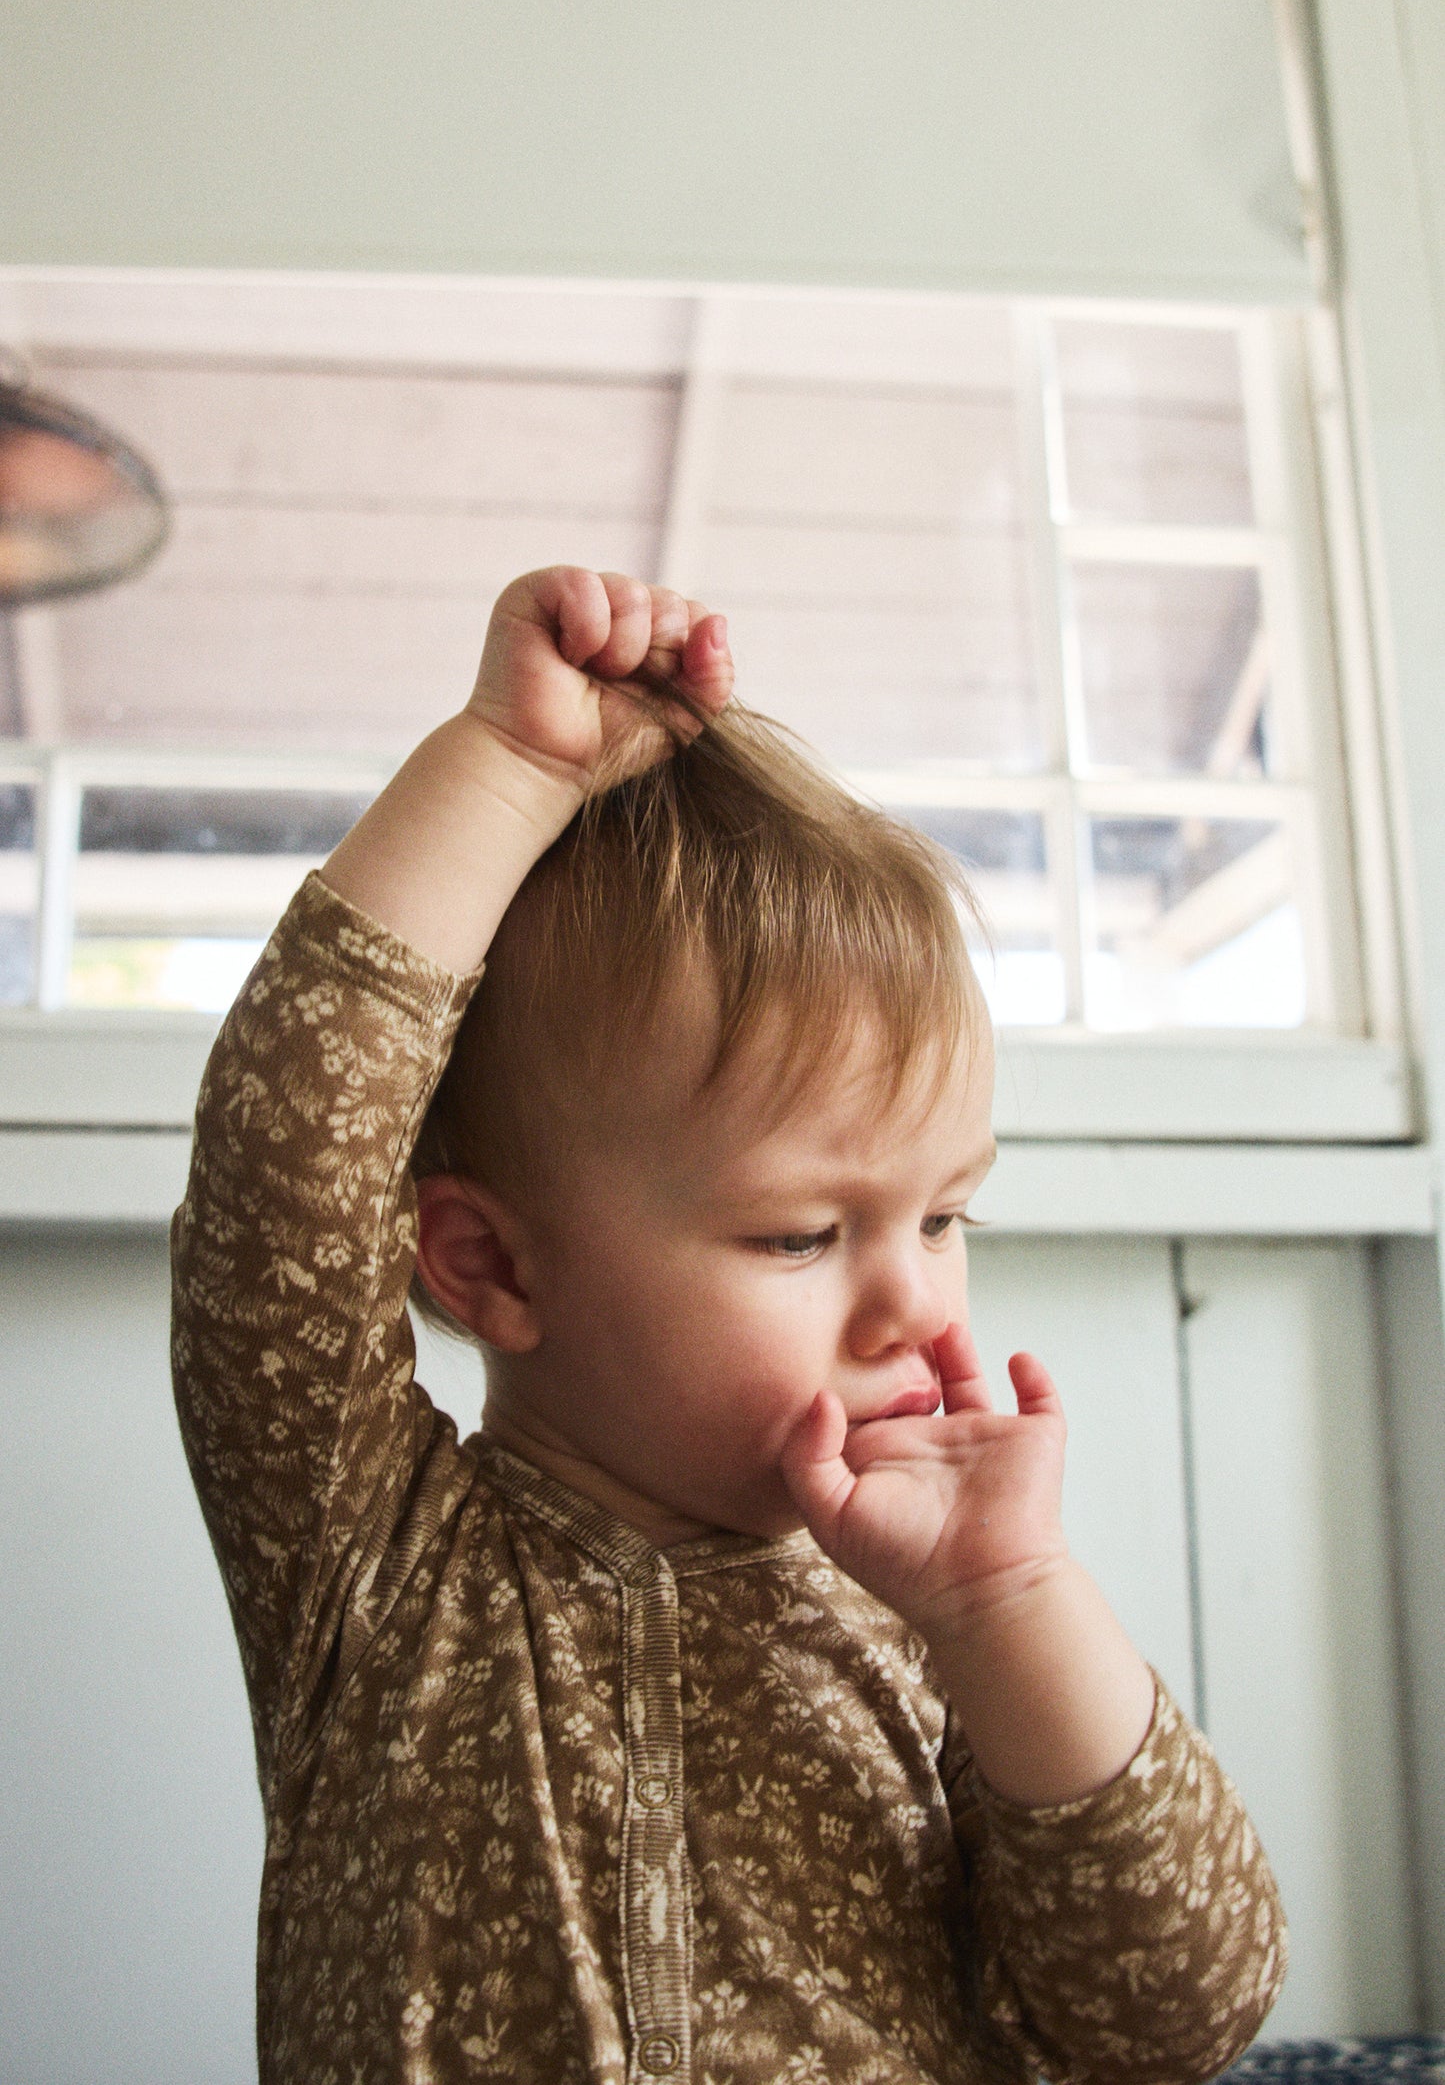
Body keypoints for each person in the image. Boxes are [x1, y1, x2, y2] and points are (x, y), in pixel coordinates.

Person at [171, 566, 1286, 2085]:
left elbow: (1173, 2016)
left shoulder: (941, 1634)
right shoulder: (370, 1558)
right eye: (802, 1235)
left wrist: (1013, 1602)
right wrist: (504, 771)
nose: (910, 1299)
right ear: (490, 1265)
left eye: (946, 1217)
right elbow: (287, 1162)